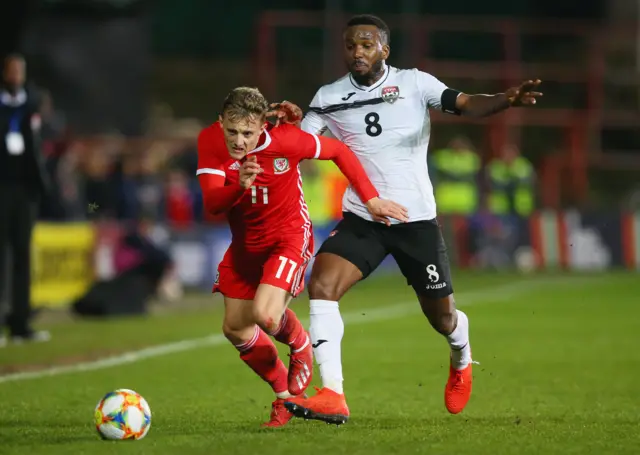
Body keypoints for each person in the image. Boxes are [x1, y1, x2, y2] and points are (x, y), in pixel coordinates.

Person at [272, 14, 542, 424]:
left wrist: (506, 98)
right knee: (322, 285)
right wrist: (283, 122)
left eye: (366, 44)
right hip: (364, 216)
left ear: (385, 48)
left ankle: (461, 355)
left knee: (443, 319)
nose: (357, 52)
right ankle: (332, 394)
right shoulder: (328, 96)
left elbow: (466, 104)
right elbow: (301, 144)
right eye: (350, 45)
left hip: (415, 221)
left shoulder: (416, 83)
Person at [196, 87, 407, 428]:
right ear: (219, 122)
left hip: (288, 237)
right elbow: (212, 204)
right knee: (235, 327)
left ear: (263, 126)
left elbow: (339, 151)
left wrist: (370, 199)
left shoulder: (287, 141)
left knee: (265, 315)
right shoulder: (209, 141)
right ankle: (287, 398)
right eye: (231, 131)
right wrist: (238, 186)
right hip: (245, 244)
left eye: (247, 133)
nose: (238, 141)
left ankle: (300, 342)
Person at [0, 54, 50, 346]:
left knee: (22, 255)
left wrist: (41, 186)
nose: (16, 76)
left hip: (25, 190)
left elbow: (35, 146)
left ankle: (20, 323)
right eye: (12, 71)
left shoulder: (30, 104)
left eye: (20, 71)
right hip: (1, 187)